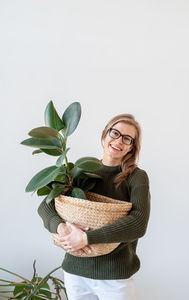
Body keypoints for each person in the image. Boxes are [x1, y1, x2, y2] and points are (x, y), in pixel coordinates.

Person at [38, 113, 151, 300]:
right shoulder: (82, 169)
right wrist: (63, 227)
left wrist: (86, 238)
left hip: (115, 276)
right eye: (115, 133)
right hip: (75, 272)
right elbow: (46, 205)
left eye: (127, 138)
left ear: (132, 147)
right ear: (104, 135)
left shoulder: (136, 177)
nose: (118, 141)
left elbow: (138, 223)